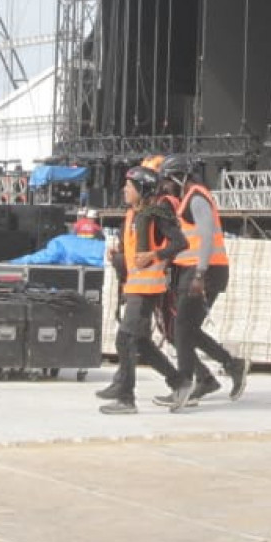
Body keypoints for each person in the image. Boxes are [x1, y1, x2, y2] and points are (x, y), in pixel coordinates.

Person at [153, 155, 249, 411]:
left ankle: (184, 384)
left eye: (168, 180)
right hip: (195, 270)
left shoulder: (197, 197)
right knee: (186, 328)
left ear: (178, 177)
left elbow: (206, 236)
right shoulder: (187, 199)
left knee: (182, 327)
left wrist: (199, 274)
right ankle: (230, 365)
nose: (166, 186)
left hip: (206, 271)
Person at [97, 166, 185, 414]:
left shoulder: (156, 213)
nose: (124, 190)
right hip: (136, 286)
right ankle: (179, 382)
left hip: (148, 287)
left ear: (142, 189)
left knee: (124, 338)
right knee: (142, 343)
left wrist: (155, 254)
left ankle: (126, 398)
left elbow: (180, 242)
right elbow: (135, 253)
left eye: (129, 186)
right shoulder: (133, 214)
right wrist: (120, 255)